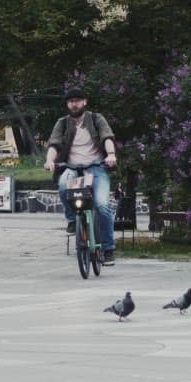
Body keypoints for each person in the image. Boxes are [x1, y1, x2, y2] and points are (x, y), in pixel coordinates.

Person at [43, 87, 119, 266]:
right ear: (67, 104)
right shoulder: (62, 123)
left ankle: (108, 249)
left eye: (77, 100)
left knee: (102, 205)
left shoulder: (96, 119)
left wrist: (111, 154)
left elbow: (107, 137)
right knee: (62, 185)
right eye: (71, 101)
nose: (74, 104)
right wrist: (49, 161)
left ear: (85, 102)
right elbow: (54, 144)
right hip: (72, 167)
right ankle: (71, 220)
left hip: (96, 168)